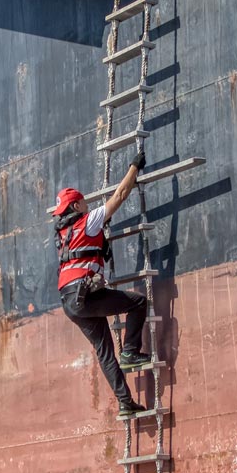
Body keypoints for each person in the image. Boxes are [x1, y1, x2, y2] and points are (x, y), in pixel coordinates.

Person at [54, 150, 154, 417]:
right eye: (84, 202)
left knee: (104, 350)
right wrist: (134, 167)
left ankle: (125, 402)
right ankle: (131, 351)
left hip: (70, 302)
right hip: (85, 296)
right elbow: (119, 196)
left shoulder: (63, 235)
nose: (87, 205)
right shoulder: (88, 221)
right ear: (77, 206)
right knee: (138, 303)